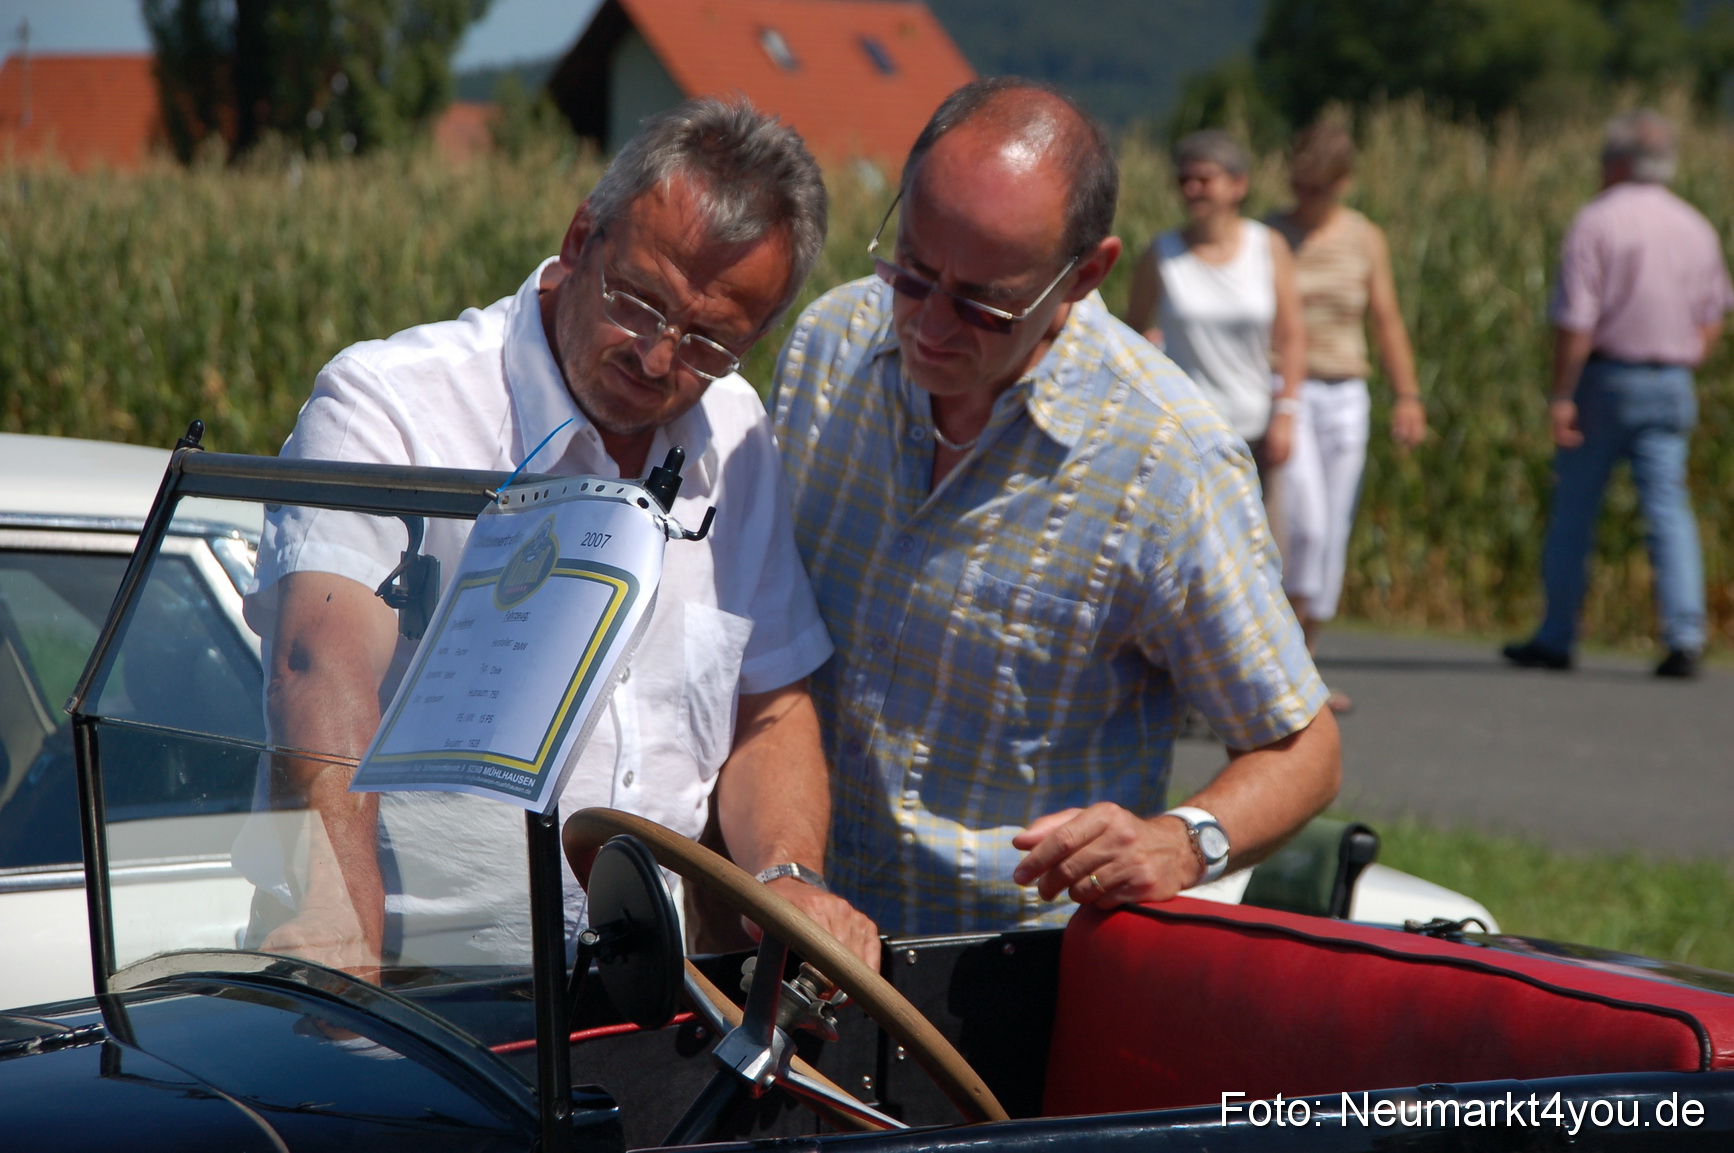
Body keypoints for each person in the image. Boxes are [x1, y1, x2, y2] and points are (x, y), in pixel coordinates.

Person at [243, 98, 879, 973]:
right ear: (583, 238)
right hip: (422, 990)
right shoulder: (389, 406)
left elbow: (769, 707)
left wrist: (787, 876)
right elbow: (318, 666)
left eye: (708, 342)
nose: (657, 357)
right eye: (639, 303)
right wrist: (340, 912)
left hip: (659, 995)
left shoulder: (735, 433)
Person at [771, 78, 1340, 937]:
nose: (928, 324)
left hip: (992, 977)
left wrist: (1181, 843)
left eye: (983, 304)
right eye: (913, 271)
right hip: (780, 930)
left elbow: (1303, 748)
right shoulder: (828, 347)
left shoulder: (1166, 460)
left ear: (1085, 274)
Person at [1503, 109, 1731, 680]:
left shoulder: (1597, 221)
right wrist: (1685, 356)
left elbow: (1576, 319)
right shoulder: (1695, 224)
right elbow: (1713, 315)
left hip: (1606, 379)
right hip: (1671, 379)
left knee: (1575, 510)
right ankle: (1684, 634)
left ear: (1622, 163)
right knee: (1668, 510)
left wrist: (1562, 393)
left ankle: (1557, 635)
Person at [1266, 121, 1427, 712]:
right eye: (1300, 187)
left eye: (1320, 190)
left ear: (1343, 184)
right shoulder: (1271, 235)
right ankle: (1282, 660)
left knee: (1332, 530)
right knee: (1301, 525)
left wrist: (1407, 396)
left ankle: (1303, 665)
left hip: (1347, 391)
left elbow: (1385, 319)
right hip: (1288, 390)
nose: (1308, 201)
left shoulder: (1364, 237)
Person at [1124, 129, 1306, 482]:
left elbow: (1292, 336)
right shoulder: (1161, 255)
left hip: (1255, 427)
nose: (1192, 189)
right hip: (1184, 428)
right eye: (1184, 179)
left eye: (1204, 179)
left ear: (1238, 185)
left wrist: (1286, 412)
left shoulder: (1268, 247)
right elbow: (1129, 332)